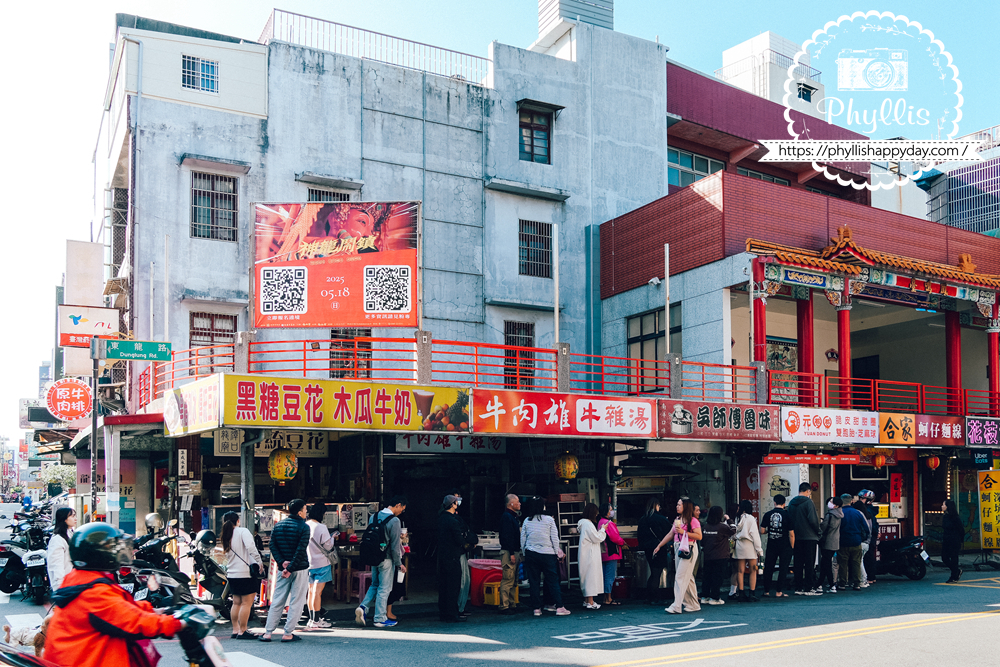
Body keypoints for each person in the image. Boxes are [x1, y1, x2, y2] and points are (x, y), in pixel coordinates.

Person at [43, 522, 184, 667]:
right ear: (101, 555)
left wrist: (157, 611)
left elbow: (120, 609)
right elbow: (134, 622)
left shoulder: (83, 581)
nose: (121, 552)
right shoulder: (93, 593)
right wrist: (178, 624)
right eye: (114, 548)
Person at [261, 499, 312, 642]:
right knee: (297, 600)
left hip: (282, 569)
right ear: (300, 511)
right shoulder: (304, 527)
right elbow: (301, 550)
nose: (306, 512)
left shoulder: (279, 526)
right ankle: (288, 633)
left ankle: (268, 632)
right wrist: (290, 568)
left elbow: (272, 546)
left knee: (278, 599)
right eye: (305, 509)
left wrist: (282, 563)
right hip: (299, 568)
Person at [357, 495, 407, 628]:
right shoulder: (394, 521)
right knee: (385, 588)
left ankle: (363, 607)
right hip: (386, 558)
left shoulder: (374, 516)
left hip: (373, 556)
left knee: (374, 584)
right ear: (398, 505)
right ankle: (379, 618)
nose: (402, 511)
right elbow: (395, 546)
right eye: (402, 509)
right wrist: (399, 563)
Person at [520, 497, 570, 616]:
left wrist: (524, 552)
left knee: (534, 581)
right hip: (548, 554)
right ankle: (559, 607)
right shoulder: (549, 520)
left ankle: (536, 609)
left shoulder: (527, 520)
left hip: (531, 553)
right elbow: (554, 538)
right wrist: (556, 553)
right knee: (552, 580)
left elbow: (523, 538)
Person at [653, 498, 702, 614]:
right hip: (679, 547)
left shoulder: (693, 520)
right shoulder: (678, 519)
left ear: (685, 507)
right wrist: (659, 545)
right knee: (688, 577)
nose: (677, 506)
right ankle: (693, 604)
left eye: (679, 505)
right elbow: (671, 534)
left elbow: (699, 536)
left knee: (680, 577)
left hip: (688, 548)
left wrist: (683, 533)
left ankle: (677, 605)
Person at [222, 511, 264, 639]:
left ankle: (235, 630)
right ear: (238, 521)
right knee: (246, 603)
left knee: (236, 603)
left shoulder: (225, 534)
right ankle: (243, 630)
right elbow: (251, 547)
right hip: (245, 573)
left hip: (232, 573)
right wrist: (259, 561)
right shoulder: (243, 531)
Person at [306, 503, 338, 629]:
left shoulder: (305, 525)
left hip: (309, 562)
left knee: (310, 591)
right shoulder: (321, 527)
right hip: (322, 563)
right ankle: (316, 620)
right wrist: (333, 538)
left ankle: (311, 619)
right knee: (317, 592)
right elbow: (328, 546)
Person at [787, 482, 822, 596]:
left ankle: (798, 587)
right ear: (808, 491)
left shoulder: (791, 503)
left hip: (796, 537)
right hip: (809, 537)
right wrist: (818, 531)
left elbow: (789, 519)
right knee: (809, 563)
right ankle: (809, 587)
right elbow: (812, 520)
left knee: (798, 563)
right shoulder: (808, 502)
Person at [438, 494, 469, 622]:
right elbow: (459, 539)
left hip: (443, 556)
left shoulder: (441, 518)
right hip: (453, 556)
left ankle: (444, 612)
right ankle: (452, 613)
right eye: (456, 502)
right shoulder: (453, 520)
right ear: (453, 504)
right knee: (453, 586)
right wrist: (467, 543)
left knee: (444, 585)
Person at [637, 498, 671, 603]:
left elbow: (640, 536)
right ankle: (654, 597)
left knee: (653, 571)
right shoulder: (661, 519)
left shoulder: (643, 519)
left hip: (648, 548)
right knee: (657, 572)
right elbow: (670, 532)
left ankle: (649, 596)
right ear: (656, 505)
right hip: (659, 547)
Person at [700, 506, 735, 605]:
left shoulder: (705, 527)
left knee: (707, 577)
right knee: (717, 577)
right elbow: (733, 530)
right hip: (721, 556)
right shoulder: (722, 527)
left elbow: (702, 543)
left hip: (708, 556)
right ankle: (714, 598)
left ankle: (705, 596)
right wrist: (729, 520)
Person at [760, 494, 793, 598]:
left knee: (769, 567)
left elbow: (762, 530)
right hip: (785, 545)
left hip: (772, 544)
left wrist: (770, 531)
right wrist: (792, 547)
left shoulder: (768, 514)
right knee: (783, 568)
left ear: (774, 502)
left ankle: (766, 591)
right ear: (784, 503)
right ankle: (779, 592)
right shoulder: (788, 515)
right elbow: (791, 534)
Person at [448, 489, 475, 615]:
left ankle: (460, 607)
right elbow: (459, 537)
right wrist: (467, 543)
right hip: (456, 554)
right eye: (455, 499)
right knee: (461, 581)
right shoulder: (450, 518)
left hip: (457, 553)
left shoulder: (456, 516)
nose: (458, 502)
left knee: (463, 580)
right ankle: (458, 608)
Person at [578, 503, 608, 609]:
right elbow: (597, 538)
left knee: (586, 576)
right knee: (591, 576)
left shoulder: (583, 524)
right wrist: (603, 529)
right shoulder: (588, 524)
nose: (597, 515)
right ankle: (590, 602)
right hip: (590, 555)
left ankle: (587, 600)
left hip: (585, 554)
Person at [838, 494, 870, 591]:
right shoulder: (858, 513)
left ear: (841, 501)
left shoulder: (839, 513)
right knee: (856, 562)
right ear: (851, 501)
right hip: (856, 541)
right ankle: (857, 583)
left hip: (842, 541)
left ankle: (842, 583)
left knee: (843, 563)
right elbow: (866, 528)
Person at [733, 500, 763, 601]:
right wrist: (759, 549)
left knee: (740, 571)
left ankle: (741, 593)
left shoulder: (737, 518)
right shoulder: (751, 518)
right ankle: (752, 593)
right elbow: (754, 534)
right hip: (749, 545)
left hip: (739, 545)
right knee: (753, 570)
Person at [498, 493, 522, 615]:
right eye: (517, 501)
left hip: (514, 551)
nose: (519, 503)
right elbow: (507, 537)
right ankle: (504, 605)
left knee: (514, 580)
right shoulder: (507, 517)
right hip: (509, 552)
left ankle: (512, 603)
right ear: (511, 503)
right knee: (508, 579)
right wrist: (512, 553)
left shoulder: (512, 517)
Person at [598, 502, 626, 607]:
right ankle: (608, 598)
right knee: (610, 576)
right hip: (611, 553)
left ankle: (606, 597)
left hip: (604, 553)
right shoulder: (608, 523)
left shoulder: (600, 522)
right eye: (610, 510)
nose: (611, 511)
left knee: (605, 575)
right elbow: (615, 538)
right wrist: (622, 542)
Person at [47, 507, 75, 591]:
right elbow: (56, 565)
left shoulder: (71, 533)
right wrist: (61, 587)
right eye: (72, 516)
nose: (75, 518)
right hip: (65, 586)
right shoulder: (57, 539)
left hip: (72, 583)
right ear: (64, 519)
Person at [818, 496, 843, 593]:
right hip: (835, 542)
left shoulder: (830, 515)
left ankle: (832, 584)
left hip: (827, 542)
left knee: (826, 563)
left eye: (832, 502)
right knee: (826, 563)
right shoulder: (840, 514)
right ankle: (820, 584)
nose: (829, 502)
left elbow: (823, 528)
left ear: (836, 505)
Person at [852, 494, 875, 587]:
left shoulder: (859, 516)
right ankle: (866, 579)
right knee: (862, 560)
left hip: (860, 541)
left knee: (859, 562)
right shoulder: (869, 516)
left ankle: (863, 580)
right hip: (867, 542)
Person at [941, 499, 964, 583]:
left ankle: (953, 576)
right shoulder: (945, 516)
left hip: (954, 540)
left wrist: (960, 540)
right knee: (944, 558)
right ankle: (956, 571)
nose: (942, 506)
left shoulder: (955, 518)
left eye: (943, 505)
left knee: (954, 558)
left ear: (948, 507)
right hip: (946, 540)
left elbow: (961, 529)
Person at [860, 490, 879, 585]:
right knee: (870, 555)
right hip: (872, 536)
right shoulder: (870, 509)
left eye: (862, 498)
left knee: (868, 557)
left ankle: (870, 577)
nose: (860, 500)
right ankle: (872, 576)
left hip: (869, 536)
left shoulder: (868, 510)